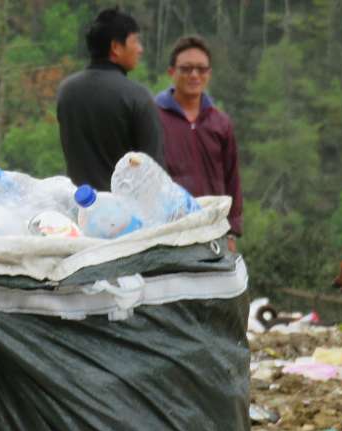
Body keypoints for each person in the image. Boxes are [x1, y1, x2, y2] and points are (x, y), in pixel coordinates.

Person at [57, 7, 164, 191]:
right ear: (115, 47)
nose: (140, 49)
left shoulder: (66, 91)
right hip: (123, 214)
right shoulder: (137, 96)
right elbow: (153, 171)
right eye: (135, 41)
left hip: (78, 207)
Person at [155, 36, 243, 250]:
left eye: (201, 69)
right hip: (167, 230)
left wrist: (232, 231)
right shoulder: (153, 117)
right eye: (186, 69)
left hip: (214, 228)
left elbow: (232, 180)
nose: (194, 75)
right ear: (171, 72)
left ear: (209, 74)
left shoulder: (220, 123)